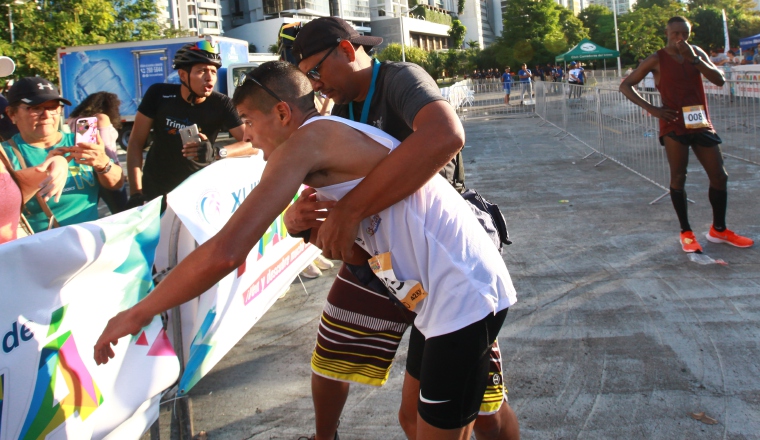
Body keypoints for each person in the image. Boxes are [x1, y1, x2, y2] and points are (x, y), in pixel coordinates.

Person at [94, 60, 518, 440]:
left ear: (282, 112)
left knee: (460, 426)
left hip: (464, 295)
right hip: (439, 298)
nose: (248, 137)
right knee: (413, 419)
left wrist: (139, 311)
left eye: (247, 121)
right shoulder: (329, 144)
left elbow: (227, 250)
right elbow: (354, 256)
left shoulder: (307, 142)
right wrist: (306, 230)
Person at [287, 17, 519, 440]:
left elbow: (446, 134)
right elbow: (344, 239)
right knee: (332, 354)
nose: (316, 86)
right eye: (307, 80)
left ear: (345, 49)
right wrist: (302, 221)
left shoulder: (399, 78)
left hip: (443, 259)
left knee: (483, 406)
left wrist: (352, 208)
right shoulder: (340, 112)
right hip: (389, 264)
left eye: (316, 72)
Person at [619, 16, 754, 253]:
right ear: (667, 32)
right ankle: (686, 232)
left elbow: (719, 80)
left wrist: (695, 59)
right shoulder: (656, 59)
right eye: (675, 34)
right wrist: (653, 109)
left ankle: (719, 230)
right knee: (679, 177)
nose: (680, 38)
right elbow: (626, 85)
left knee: (719, 176)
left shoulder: (696, 53)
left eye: (684, 34)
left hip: (700, 123)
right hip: (674, 124)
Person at [126, 39, 256, 207]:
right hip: (156, 188)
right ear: (182, 75)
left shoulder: (222, 103)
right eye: (201, 71)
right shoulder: (158, 94)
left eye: (213, 71)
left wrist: (217, 152)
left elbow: (253, 143)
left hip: (196, 192)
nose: (209, 78)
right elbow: (135, 143)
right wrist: (136, 192)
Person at [2, 77, 123, 232]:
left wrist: (103, 164)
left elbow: (117, 184)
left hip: (86, 244)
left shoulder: (80, 142)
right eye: (36, 108)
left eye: (52, 107)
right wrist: (44, 172)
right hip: (36, 249)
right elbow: (4, 208)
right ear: (12, 114)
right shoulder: (5, 154)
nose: (46, 115)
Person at [67, 91, 128, 213]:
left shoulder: (75, 119)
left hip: (83, 170)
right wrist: (116, 170)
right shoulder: (101, 118)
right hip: (103, 168)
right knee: (122, 211)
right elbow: (106, 149)